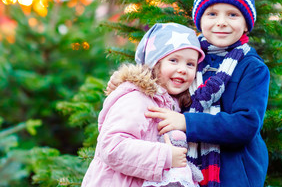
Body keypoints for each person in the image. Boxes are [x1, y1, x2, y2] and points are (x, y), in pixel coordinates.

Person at [107, 0, 270, 187]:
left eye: (232, 14)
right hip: (186, 167)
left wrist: (187, 123)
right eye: (212, 13)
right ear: (199, 19)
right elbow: (160, 82)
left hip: (233, 175)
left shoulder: (252, 68)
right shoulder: (190, 56)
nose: (221, 22)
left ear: (246, 22)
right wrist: (127, 83)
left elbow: (245, 125)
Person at [82, 23, 205, 187]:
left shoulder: (173, 104)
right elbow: (112, 147)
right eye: (174, 60)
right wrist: (166, 157)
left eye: (190, 64)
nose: (183, 69)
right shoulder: (137, 97)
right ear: (155, 63)